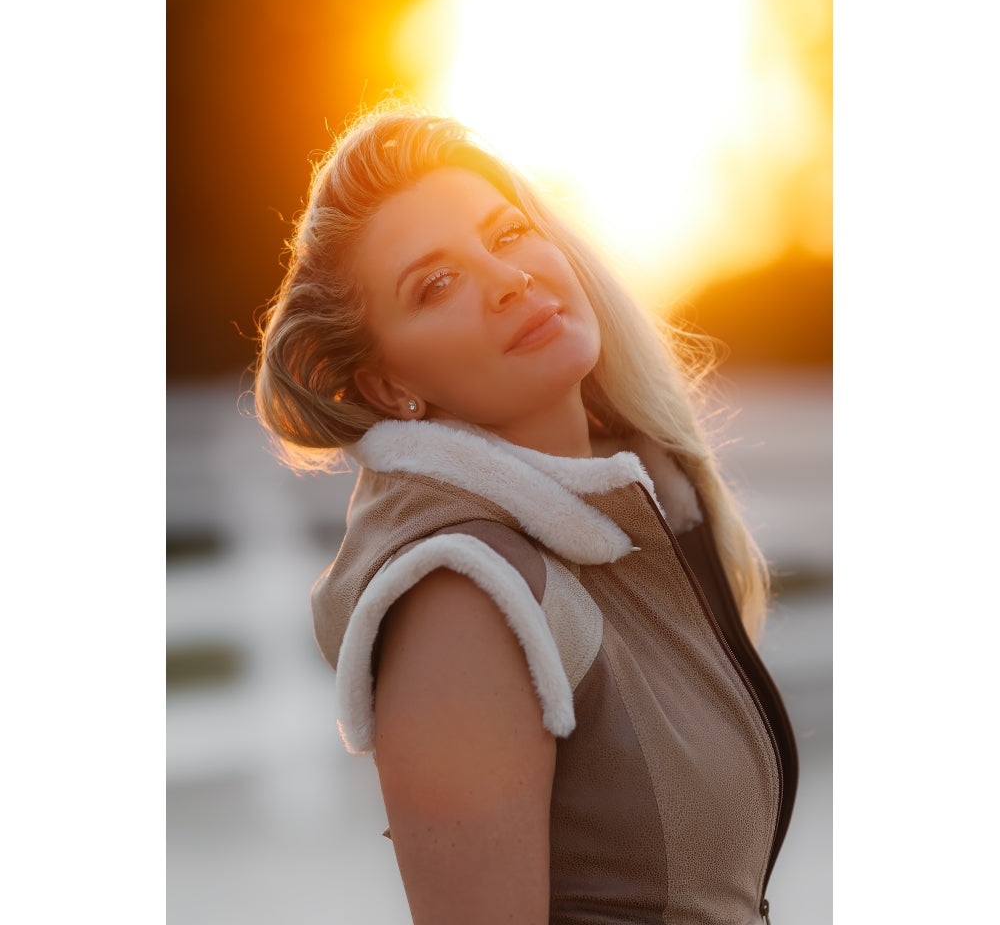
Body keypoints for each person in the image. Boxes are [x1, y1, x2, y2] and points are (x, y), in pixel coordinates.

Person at [253, 103, 797, 924]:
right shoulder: (464, 596)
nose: (508, 277)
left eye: (507, 234)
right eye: (436, 284)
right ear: (387, 387)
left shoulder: (647, 513)